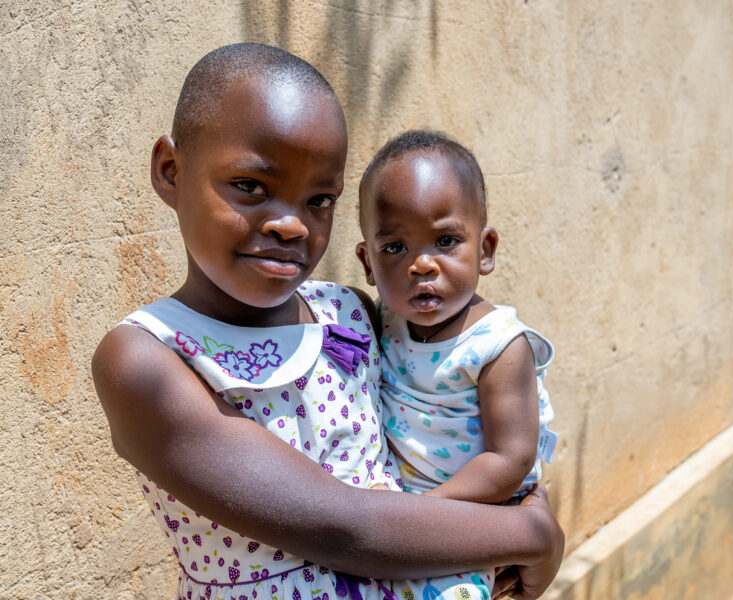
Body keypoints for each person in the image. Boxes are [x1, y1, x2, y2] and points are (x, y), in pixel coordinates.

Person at [92, 43, 564, 600]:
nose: (293, 225)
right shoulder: (146, 360)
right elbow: (345, 527)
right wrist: (530, 533)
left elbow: (455, 411)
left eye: (320, 199)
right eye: (251, 186)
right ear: (172, 171)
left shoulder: (349, 315)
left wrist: (520, 489)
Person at [355, 130, 558, 600]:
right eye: (394, 248)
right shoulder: (382, 321)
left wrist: (422, 515)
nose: (422, 264)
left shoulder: (498, 347)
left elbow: (511, 461)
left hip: (474, 521)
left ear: (484, 250)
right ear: (368, 263)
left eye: (445, 240)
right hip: (402, 520)